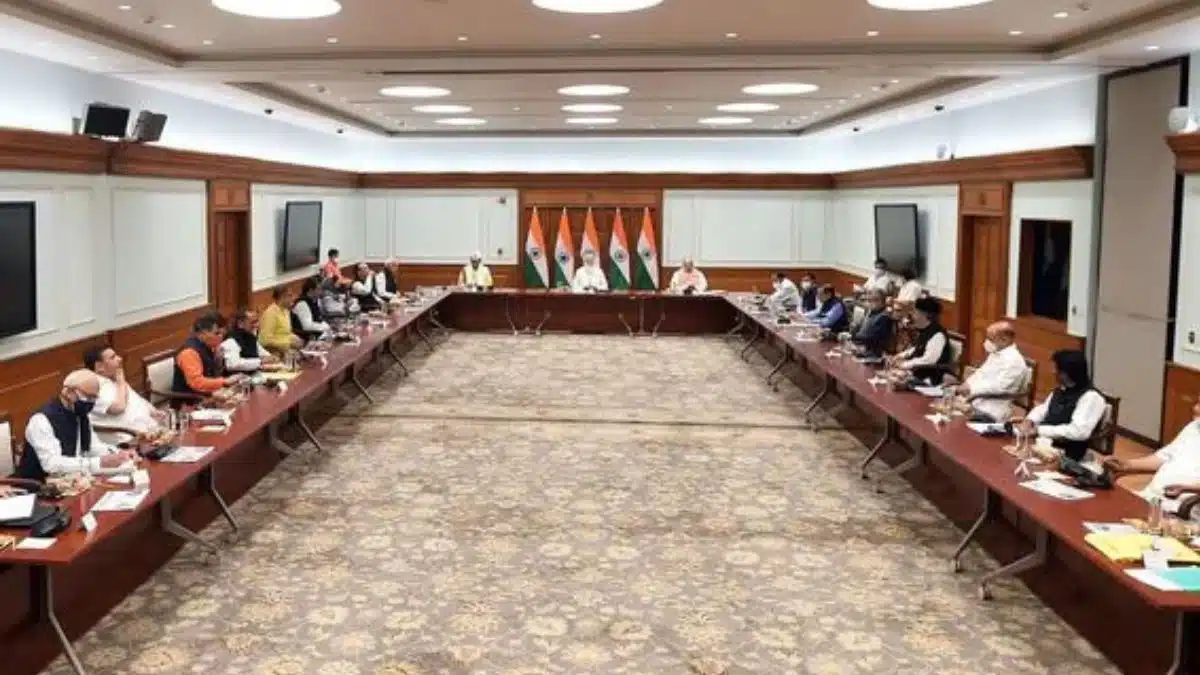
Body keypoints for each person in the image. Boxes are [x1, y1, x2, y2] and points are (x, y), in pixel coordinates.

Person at [18, 370, 137, 481]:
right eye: (87, 397)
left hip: (73, 480)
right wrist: (99, 462)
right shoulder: (41, 420)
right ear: (68, 392)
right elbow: (52, 465)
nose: (90, 402)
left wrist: (119, 454)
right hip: (40, 486)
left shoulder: (79, 414)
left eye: (94, 398)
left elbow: (92, 447)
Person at [1105, 399, 1200, 516]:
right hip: (1151, 499)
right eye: (1197, 402)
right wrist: (1126, 465)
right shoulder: (1193, 427)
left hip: (1182, 511)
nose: (1195, 408)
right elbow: (1161, 458)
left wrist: (1187, 488)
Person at [1016, 350, 1105, 462]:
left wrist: (1039, 430)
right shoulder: (1062, 389)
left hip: (1066, 454)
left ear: (1068, 373)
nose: (1053, 372)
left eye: (1057, 369)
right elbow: (1043, 409)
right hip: (1043, 444)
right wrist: (1030, 420)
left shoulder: (1091, 397)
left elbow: (1079, 431)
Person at [952, 321, 1028, 422]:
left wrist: (972, 389)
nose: (987, 342)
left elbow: (1001, 388)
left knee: (953, 422)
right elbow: (981, 373)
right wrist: (967, 384)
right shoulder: (996, 352)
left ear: (1004, 340)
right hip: (974, 401)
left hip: (991, 409)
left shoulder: (1014, 361)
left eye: (991, 339)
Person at [84, 347, 168, 435]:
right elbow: (118, 408)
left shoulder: (114, 377)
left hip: (150, 430)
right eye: (113, 357)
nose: (120, 359)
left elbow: (136, 399)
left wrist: (153, 411)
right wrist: (121, 382)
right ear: (99, 366)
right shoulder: (91, 388)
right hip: (130, 437)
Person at [173, 312, 246, 397]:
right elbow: (197, 383)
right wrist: (225, 381)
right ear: (202, 333)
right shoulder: (188, 353)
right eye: (217, 333)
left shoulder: (208, 347)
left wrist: (218, 362)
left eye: (222, 334)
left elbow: (212, 377)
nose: (221, 337)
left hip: (209, 395)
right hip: (190, 401)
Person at [890, 297, 952, 384]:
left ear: (924, 315)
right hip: (916, 373)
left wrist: (905, 364)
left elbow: (928, 360)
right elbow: (917, 348)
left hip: (929, 378)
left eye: (915, 312)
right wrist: (899, 356)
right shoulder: (925, 330)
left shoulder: (937, 335)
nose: (912, 315)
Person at [221, 308, 282, 373]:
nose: (257, 325)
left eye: (257, 322)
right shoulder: (231, 341)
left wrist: (273, 358)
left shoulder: (251, 339)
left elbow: (266, 355)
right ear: (240, 324)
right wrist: (260, 361)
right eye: (253, 322)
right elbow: (233, 364)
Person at [848, 290, 894, 358]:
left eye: (876, 300)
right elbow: (860, 328)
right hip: (862, 348)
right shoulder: (870, 313)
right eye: (869, 300)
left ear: (883, 302)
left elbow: (870, 337)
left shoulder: (884, 317)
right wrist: (853, 327)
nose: (871, 303)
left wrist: (853, 335)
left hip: (874, 355)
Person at [259, 286, 304, 353]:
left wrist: (296, 338)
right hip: (276, 353)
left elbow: (285, 333)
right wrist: (288, 344)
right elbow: (265, 341)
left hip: (288, 351)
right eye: (290, 296)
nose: (293, 298)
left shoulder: (286, 311)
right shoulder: (270, 313)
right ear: (282, 297)